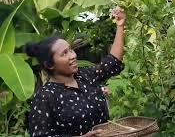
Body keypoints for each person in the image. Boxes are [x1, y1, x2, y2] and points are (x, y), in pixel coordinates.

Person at [26, 7, 126, 137]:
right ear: (49, 64)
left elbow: (113, 62)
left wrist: (120, 26)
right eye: (64, 53)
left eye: (71, 50)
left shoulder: (85, 76)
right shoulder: (46, 96)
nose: (73, 56)